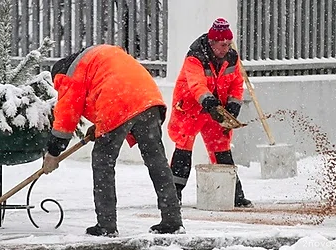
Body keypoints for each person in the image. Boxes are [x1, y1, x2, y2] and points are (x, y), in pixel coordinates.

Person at [42, 44, 185, 237]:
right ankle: (172, 220)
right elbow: (105, 87)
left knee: (103, 162)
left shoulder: (69, 74)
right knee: (157, 161)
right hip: (149, 99)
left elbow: (66, 117)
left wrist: (53, 153)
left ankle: (106, 225)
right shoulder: (100, 56)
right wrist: (100, 125)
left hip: (117, 101)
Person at [167, 17, 253, 208]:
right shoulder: (195, 57)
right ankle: (173, 196)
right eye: (223, 45)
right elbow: (197, 85)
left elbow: (237, 84)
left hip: (216, 109)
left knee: (221, 148)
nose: (226, 48)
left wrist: (233, 106)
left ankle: (234, 195)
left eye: (229, 44)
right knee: (184, 148)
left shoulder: (231, 57)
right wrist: (209, 102)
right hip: (190, 108)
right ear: (212, 43)